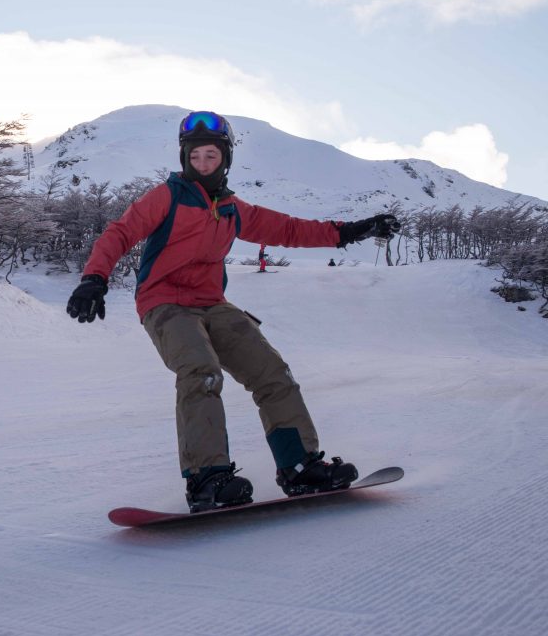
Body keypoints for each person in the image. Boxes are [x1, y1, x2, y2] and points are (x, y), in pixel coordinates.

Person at [65, 111, 400, 513]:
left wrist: (350, 231)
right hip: (166, 304)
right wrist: (94, 278)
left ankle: (300, 466)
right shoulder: (167, 196)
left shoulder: (231, 208)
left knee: (273, 373)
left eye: (211, 156)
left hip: (213, 303)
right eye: (196, 157)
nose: (203, 164)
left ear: (225, 159)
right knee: (201, 372)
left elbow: (289, 230)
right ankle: (207, 478)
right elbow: (120, 232)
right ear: (184, 158)